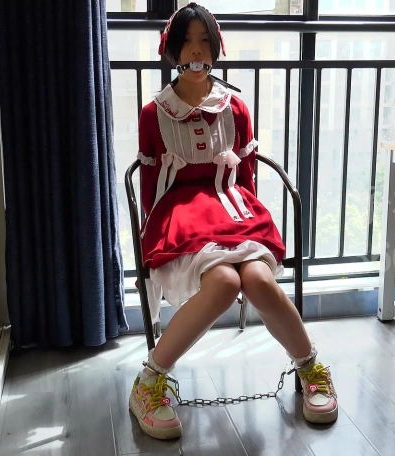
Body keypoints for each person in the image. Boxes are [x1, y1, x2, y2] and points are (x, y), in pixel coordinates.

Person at [128, 2, 338, 440]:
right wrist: (155, 238)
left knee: (257, 279)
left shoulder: (235, 106)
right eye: (187, 42)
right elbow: (150, 188)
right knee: (223, 283)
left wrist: (246, 225)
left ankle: (310, 368)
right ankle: (148, 381)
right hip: (179, 213)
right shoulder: (154, 112)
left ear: (216, 48)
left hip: (234, 208)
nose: (196, 51)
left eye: (205, 41)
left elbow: (247, 178)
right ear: (172, 50)